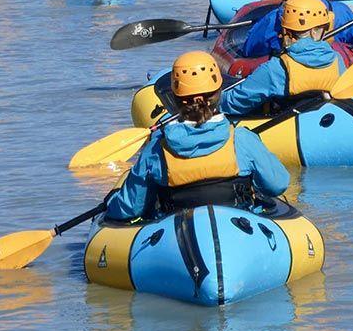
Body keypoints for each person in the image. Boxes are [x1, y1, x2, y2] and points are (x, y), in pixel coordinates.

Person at [105, 51, 290, 221]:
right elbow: (277, 184)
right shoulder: (242, 139)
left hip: (176, 234)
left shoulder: (157, 148)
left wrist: (111, 202)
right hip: (238, 227)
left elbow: (130, 208)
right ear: (218, 93)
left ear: (174, 98)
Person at [221, 0, 351, 118]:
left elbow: (235, 103)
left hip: (287, 133)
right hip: (323, 123)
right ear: (322, 30)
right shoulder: (337, 60)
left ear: (285, 31)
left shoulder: (275, 68)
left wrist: (211, 100)